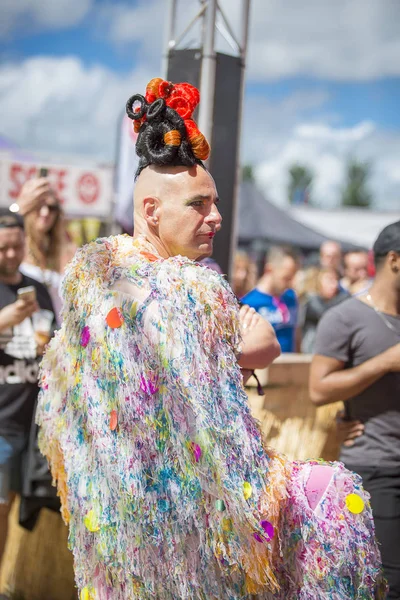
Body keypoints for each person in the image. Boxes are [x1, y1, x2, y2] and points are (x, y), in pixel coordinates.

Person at [37, 78, 385, 599]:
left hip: (152, 529)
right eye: (199, 205)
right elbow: (248, 344)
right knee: (336, 498)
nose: (216, 217)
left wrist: (232, 342)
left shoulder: (110, 278)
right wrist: (228, 340)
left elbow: (258, 341)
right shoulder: (130, 279)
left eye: (215, 202)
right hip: (165, 525)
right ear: (152, 212)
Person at [309, 220, 400, 598]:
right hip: (377, 467)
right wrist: (383, 363)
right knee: (391, 583)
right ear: (394, 260)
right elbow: (318, 389)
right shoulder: (345, 317)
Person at [0, 209, 56, 568]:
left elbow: (54, 338)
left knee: (18, 507)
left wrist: (47, 346)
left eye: (16, 246)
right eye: (3, 248)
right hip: (0, 423)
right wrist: (10, 317)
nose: (9, 254)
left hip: (33, 425)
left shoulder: (38, 290)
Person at [13, 177, 73, 324]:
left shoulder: (65, 248)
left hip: (56, 335)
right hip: (22, 336)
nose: (45, 212)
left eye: (52, 208)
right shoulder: (14, 246)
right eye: (39, 205)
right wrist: (17, 209)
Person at [242, 246, 299, 352]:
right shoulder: (249, 303)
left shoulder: (291, 298)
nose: (290, 284)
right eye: (286, 278)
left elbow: (296, 335)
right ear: (269, 270)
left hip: (289, 365)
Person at [300, 267, 349, 353]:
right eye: (329, 280)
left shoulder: (343, 299)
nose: (334, 284)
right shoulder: (311, 302)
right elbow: (325, 315)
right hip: (312, 351)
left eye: (336, 280)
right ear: (319, 281)